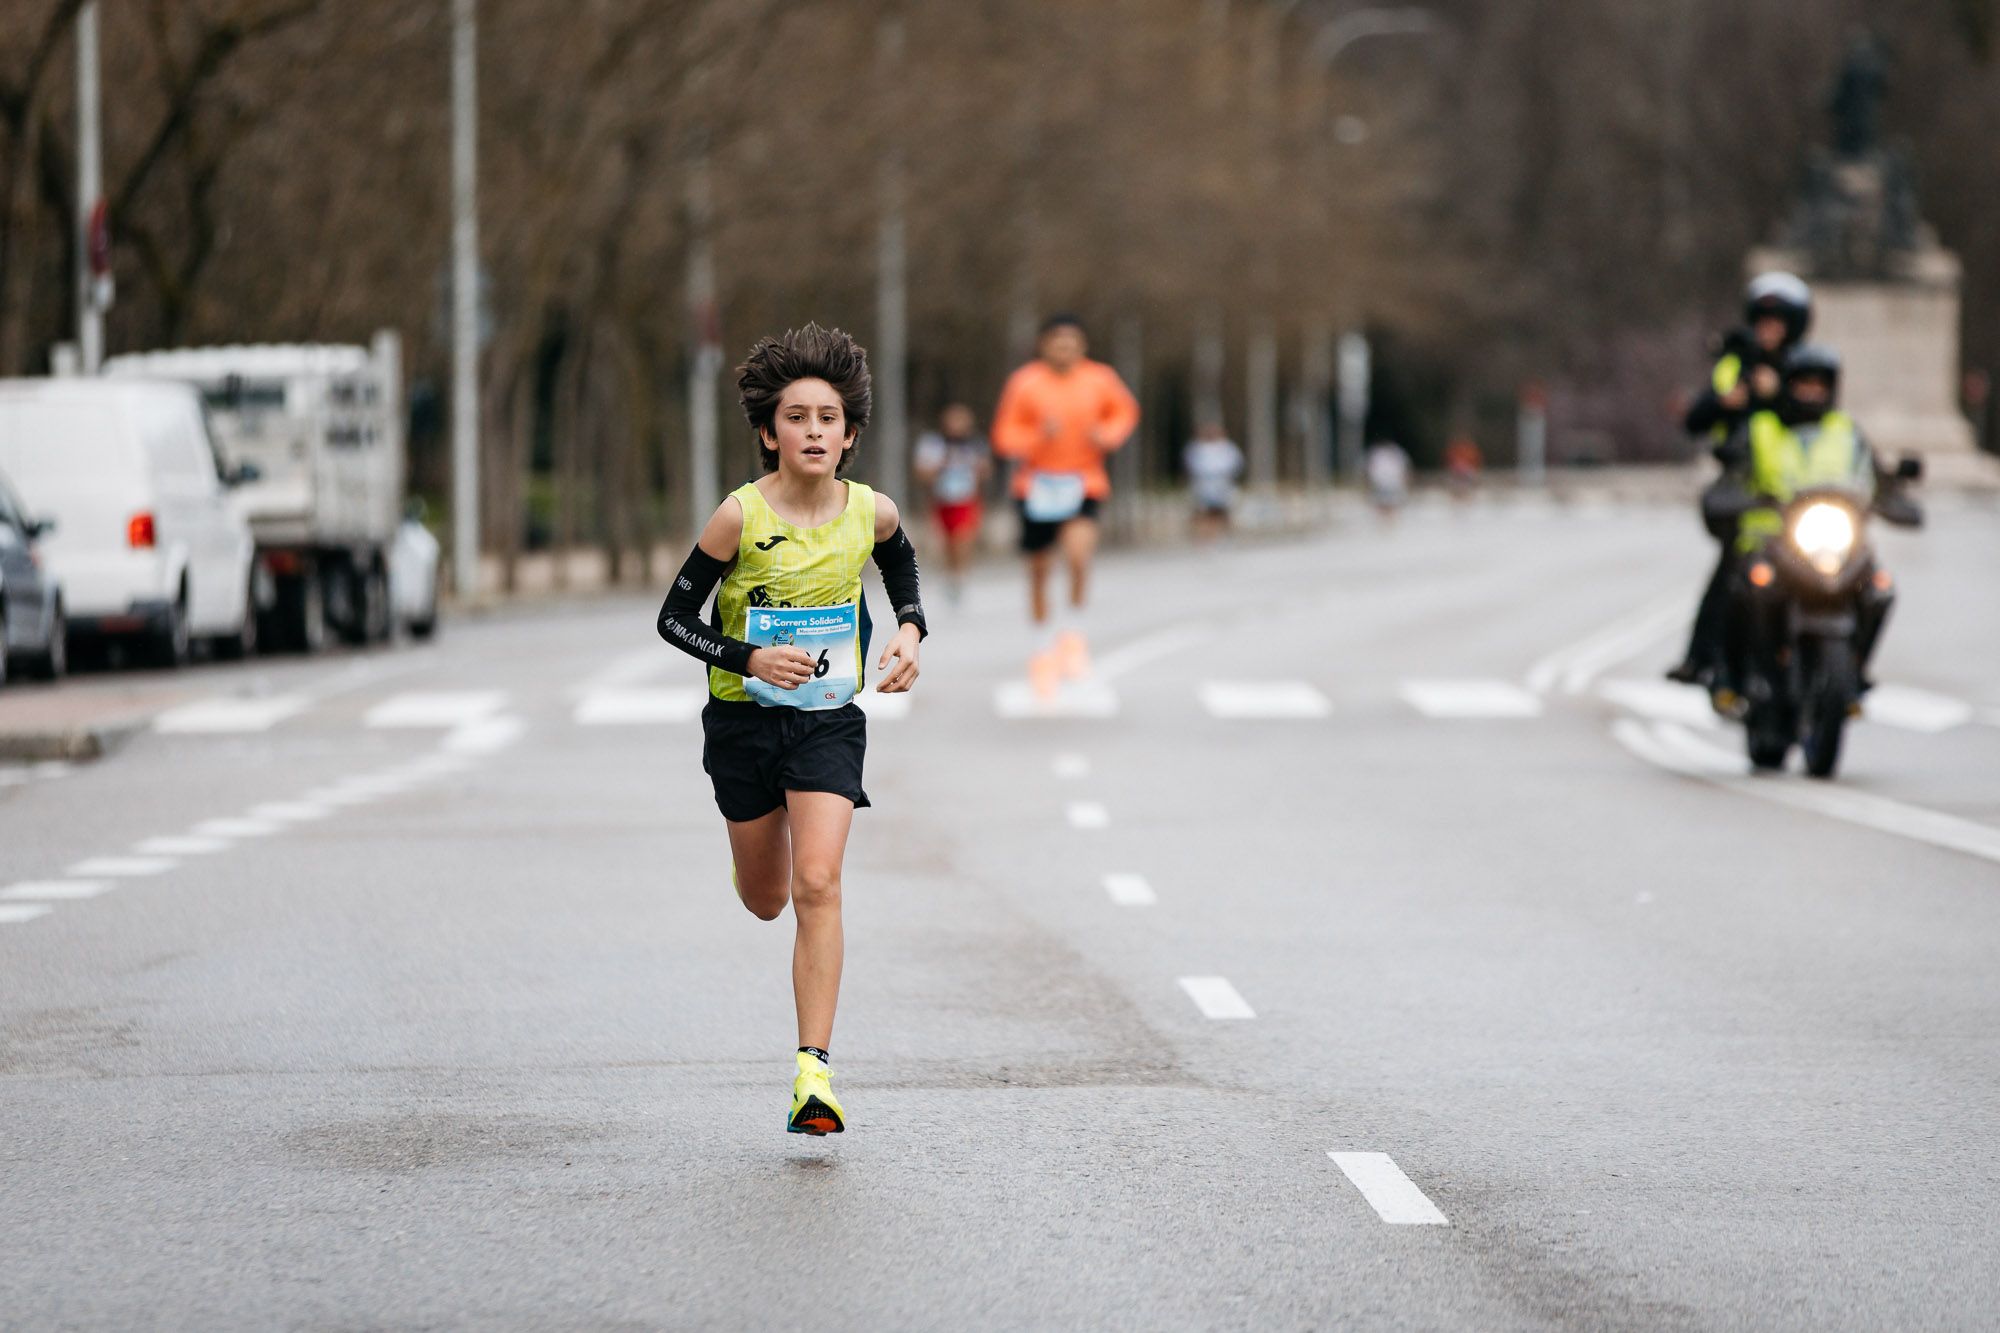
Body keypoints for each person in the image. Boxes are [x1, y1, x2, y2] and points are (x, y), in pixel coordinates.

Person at [655, 323, 927, 1137]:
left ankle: (815, 1073)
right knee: (768, 898)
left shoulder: (870, 511)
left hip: (827, 721)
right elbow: (674, 618)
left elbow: (901, 565)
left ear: (850, 435)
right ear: (769, 433)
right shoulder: (738, 517)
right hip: (742, 723)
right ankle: (755, 851)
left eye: (828, 418)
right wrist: (748, 656)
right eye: (797, 417)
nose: (814, 431)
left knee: (818, 882)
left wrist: (910, 629)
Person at [1721, 343, 1893, 704]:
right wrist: (1733, 496)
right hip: (1773, 538)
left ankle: (1855, 667)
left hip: (1834, 539)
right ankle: (1742, 677)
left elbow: (1876, 479)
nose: (1811, 393)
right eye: (1804, 384)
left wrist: (1895, 498)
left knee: (1879, 587)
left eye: (1819, 385)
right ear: (1789, 386)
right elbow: (1733, 476)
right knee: (1742, 591)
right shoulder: (1763, 429)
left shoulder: (1846, 431)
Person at [1668, 272, 1812, 686]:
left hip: (1801, 494)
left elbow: (1827, 422)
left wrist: (1779, 394)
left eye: (1778, 322)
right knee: (1732, 572)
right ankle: (1702, 658)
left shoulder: (1807, 367)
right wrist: (1725, 401)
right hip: (1744, 491)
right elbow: (1696, 420)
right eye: (1763, 321)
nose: (1769, 330)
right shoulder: (1734, 366)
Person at [990, 314, 1139, 695]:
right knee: (1039, 570)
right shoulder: (1025, 382)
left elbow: (1125, 412)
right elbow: (1005, 436)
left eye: (1072, 343)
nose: (1065, 349)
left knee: (1078, 556)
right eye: (1058, 342)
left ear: (1082, 346)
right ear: (1044, 345)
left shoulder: (1100, 379)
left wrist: (1106, 434)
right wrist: (1038, 435)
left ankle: (1073, 637)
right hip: (1036, 485)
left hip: (1084, 481)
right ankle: (1042, 650)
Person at [911, 403, 990, 603]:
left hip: (965, 500)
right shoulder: (934, 444)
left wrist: (977, 469)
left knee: (962, 539)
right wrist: (940, 465)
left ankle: (960, 576)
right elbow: (921, 472)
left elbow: (985, 471)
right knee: (945, 544)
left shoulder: (975, 445)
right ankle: (949, 576)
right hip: (941, 500)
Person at [1183, 418, 1244, 542]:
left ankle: (1224, 534)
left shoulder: (1226, 447)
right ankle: (1201, 536)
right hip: (1203, 484)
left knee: (1223, 510)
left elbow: (1236, 463)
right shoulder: (1197, 447)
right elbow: (1191, 464)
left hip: (1221, 483)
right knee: (1202, 511)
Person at [1365, 439, 1411, 517]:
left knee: (1388, 502)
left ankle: (1385, 515)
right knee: (1384, 502)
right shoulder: (1381, 454)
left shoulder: (1394, 453)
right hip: (1383, 484)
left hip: (1389, 484)